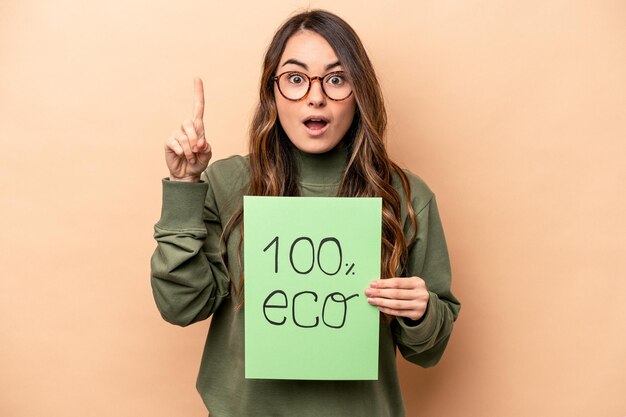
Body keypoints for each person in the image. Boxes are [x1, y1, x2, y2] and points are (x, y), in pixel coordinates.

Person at [151, 9, 460, 417]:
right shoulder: (227, 184)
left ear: (359, 91)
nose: (316, 96)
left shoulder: (406, 197)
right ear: (272, 91)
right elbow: (181, 307)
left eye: (336, 79)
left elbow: (429, 352)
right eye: (296, 79)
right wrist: (187, 188)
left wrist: (422, 312)